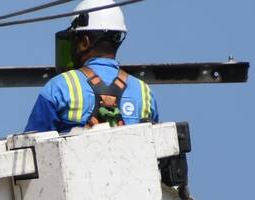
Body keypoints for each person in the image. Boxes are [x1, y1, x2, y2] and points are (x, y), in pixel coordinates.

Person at [25, 0, 158, 133]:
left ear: (84, 42)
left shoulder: (59, 87)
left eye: (74, 41)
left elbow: (31, 144)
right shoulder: (145, 93)